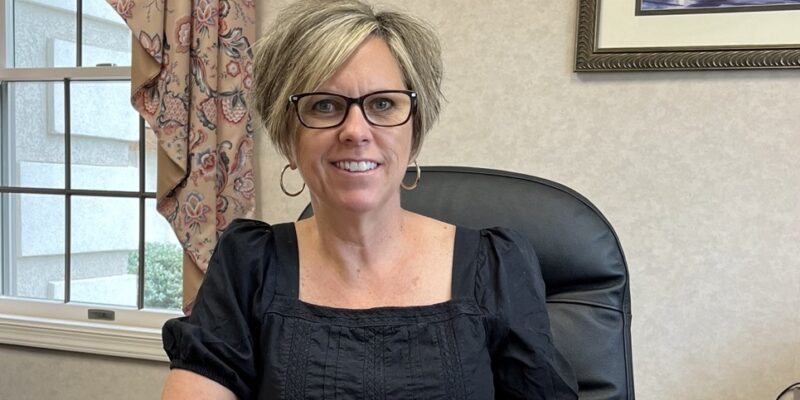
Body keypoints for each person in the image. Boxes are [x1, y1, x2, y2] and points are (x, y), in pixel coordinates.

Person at [161, 0, 578, 399]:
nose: (356, 131)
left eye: (382, 104)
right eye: (325, 105)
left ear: (414, 129)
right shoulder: (248, 267)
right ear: (288, 136)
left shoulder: (497, 267)